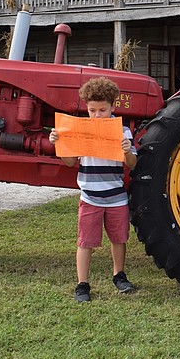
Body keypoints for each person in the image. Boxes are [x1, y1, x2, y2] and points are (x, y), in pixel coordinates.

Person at [49, 77, 138, 302]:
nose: (97, 115)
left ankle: (119, 275)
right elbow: (70, 162)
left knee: (119, 239)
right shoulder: (81, 130)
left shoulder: (123, 131)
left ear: (112, 107)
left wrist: (127, 149)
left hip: (116, 196)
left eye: (102, 110)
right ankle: (82, 284)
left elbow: (132, 164)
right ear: (86, 108)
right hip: (90, 197)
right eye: (92, 110)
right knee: (85, 241)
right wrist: (58, 143)